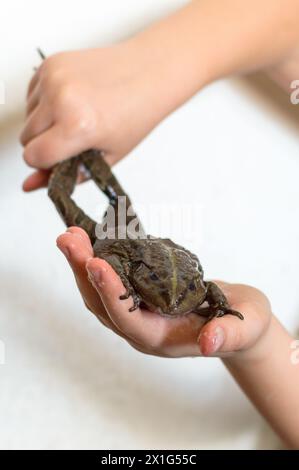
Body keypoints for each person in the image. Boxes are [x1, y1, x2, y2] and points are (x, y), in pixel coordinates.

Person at [20, 0, 299, 448]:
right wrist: (153, 67)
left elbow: (198, 290)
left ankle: (77, 158)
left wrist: (253, 342)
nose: (173, 305)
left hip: (126, 250)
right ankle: (84, 154)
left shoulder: (186, 292)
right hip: (137, 244)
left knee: (63, 195)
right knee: (105, 197)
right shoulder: (192, 288)